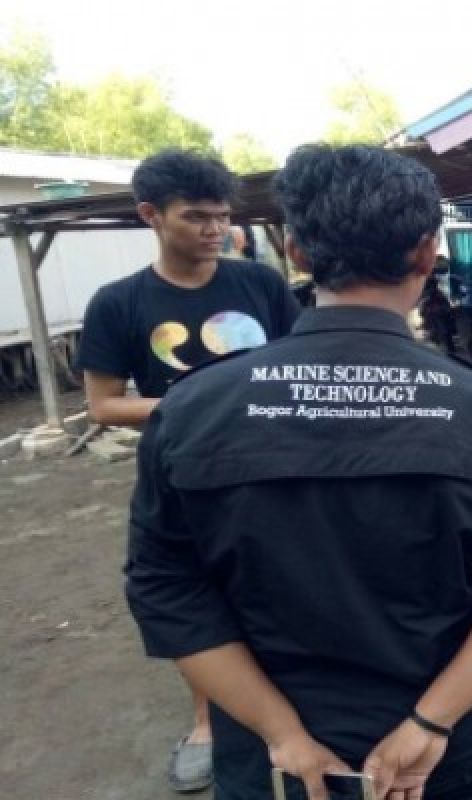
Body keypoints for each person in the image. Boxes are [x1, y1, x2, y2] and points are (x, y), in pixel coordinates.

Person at [124, 143, 472, 800]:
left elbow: (166, 588)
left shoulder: (193, 409)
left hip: (275, 753)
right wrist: (429, 719)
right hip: (446, 746)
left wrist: (281, 732)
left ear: (297, 255)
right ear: (427, 253)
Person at [74, 148, 299, 793]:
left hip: (271, 472)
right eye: (196, 217)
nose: (214, 231)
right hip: (183, 478)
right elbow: (104, 404)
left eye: (222, 217)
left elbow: (296, 366)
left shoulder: (259, 286)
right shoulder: (120, 303)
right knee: (196, 600)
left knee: (279, 589)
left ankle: (283, 705)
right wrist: (195, 404)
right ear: (151, 216)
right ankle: (206, 720)